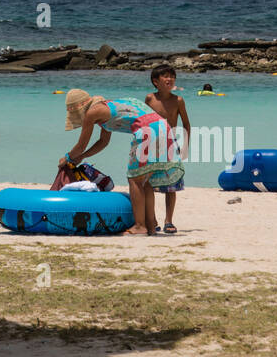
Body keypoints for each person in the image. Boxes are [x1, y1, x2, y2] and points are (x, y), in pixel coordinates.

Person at [62, 88, 184, 235]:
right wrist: (82, 157)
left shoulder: (92, 113)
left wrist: (67, 158)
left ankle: (139, 226)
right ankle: (150, 225)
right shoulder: (106, 108)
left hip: (147, 132)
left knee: (135, 179)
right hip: (163, 128)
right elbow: (103, 142)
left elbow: (81, 145)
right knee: (144, 180)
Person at [146, 64, 190, 234]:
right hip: (151, 144)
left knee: (172, 184)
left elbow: (186, 124)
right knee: (148, 183)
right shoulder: (150, 99)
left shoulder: (178, 100)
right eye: (165, 76)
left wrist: (185, 146)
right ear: (155, 81)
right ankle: (152, 220)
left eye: (172, 76)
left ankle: (168, 220)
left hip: (171, 144)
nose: (170, 79)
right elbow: (143, 121)